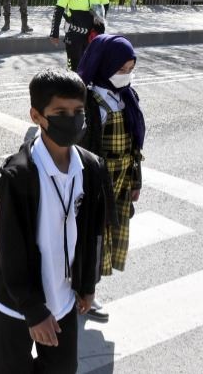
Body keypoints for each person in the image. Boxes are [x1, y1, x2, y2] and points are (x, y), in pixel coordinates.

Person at [0, 68, 108, 374]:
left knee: (62, 368)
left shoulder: (91, 168)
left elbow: (93, 233)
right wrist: (33, 310)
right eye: (60, 113)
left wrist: (87, 284)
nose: (72, 119)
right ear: (37, 116)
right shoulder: (19, 176)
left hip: (63, 298)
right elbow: (10, 249)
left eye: (78, 111)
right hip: (17, 303)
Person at [78, 35, 145, 322]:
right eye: (120, 70)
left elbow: (134, 145)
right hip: (98, 184)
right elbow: (82, 149)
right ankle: (84, 292)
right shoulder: (90, 102)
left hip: (121, 181)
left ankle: (86, 289)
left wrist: (135, 181)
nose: (125, 75)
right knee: (91, 238)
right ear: (104, 66)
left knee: (106, 238)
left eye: (130, 69)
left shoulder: (126, 97)